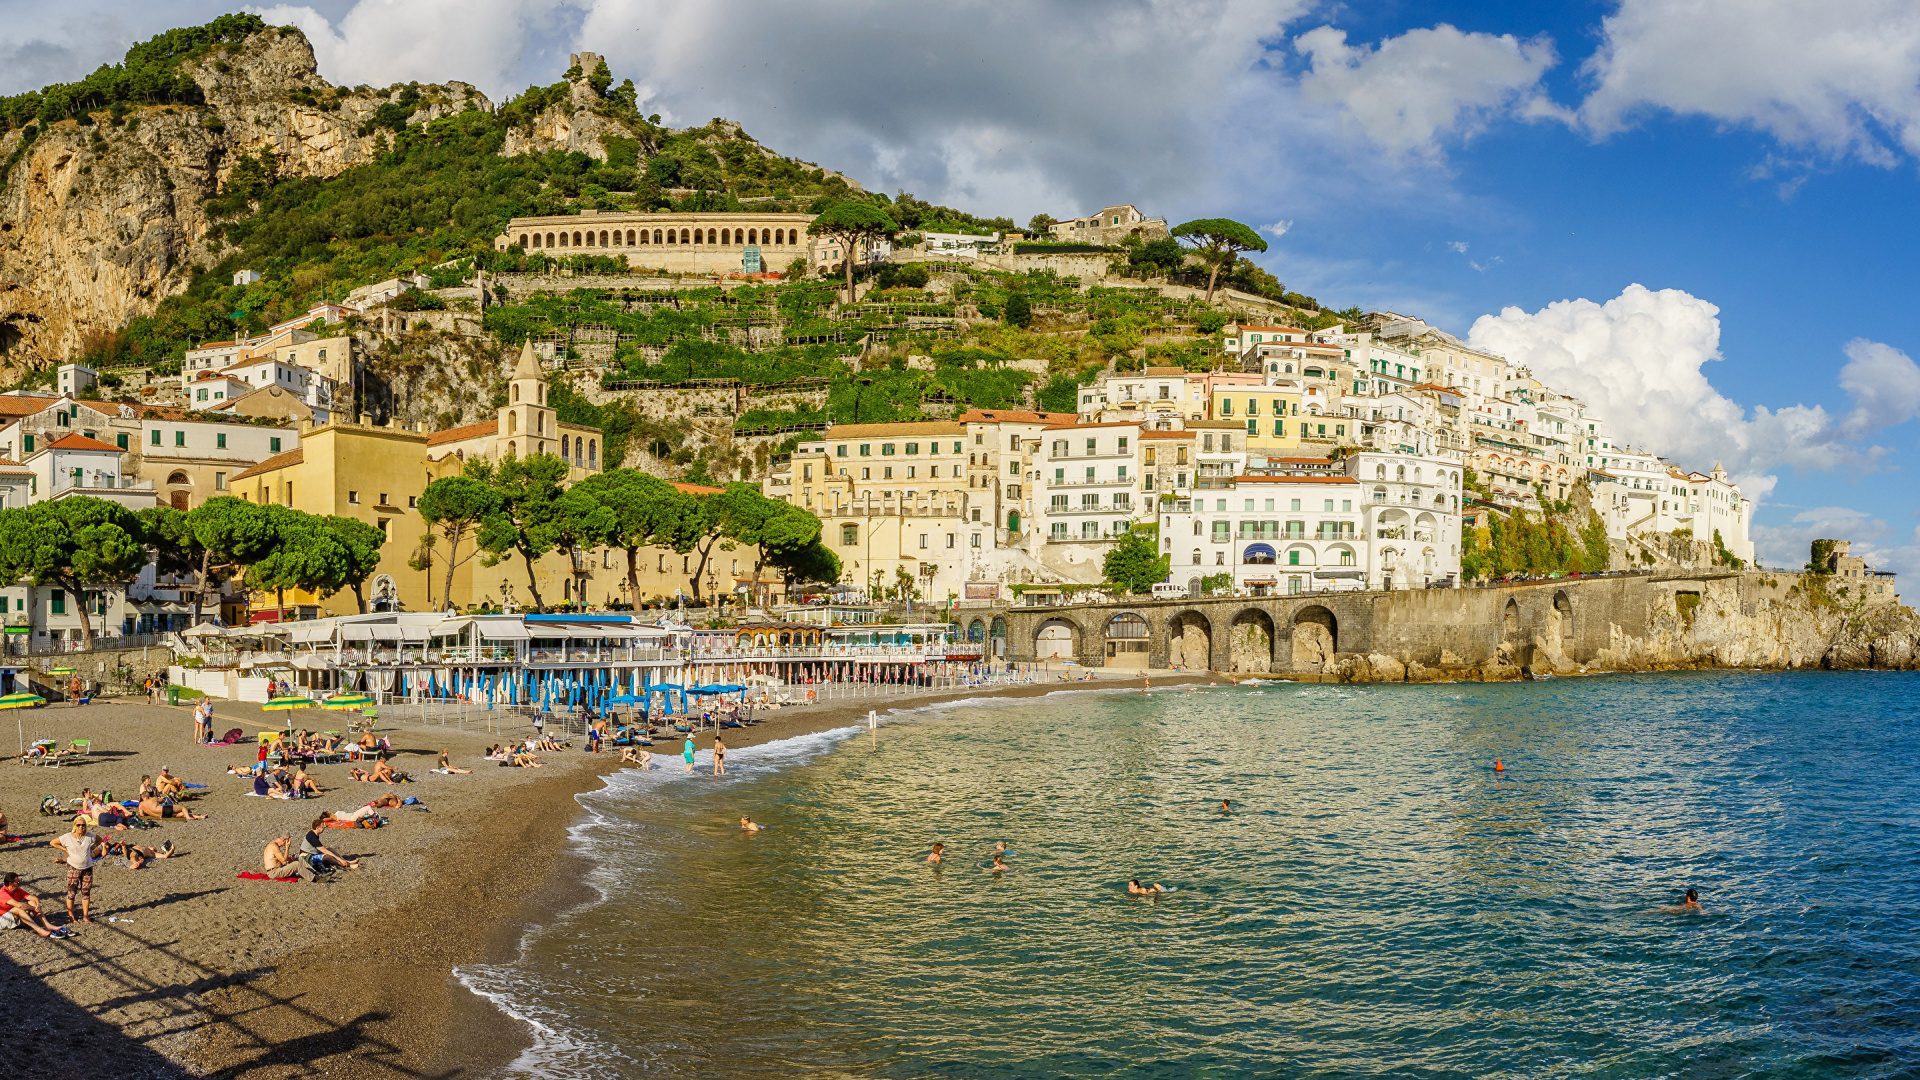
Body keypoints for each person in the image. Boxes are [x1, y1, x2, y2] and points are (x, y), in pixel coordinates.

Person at [50, 818, 106, 924]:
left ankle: (85, 916)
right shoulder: (67, 837)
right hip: (73, 867)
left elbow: (100, 840)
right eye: (79, 825)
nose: (81, 827)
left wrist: (92, 848)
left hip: (87, 867)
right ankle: (71, 916)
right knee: (71, 893)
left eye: (83, 825)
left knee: (86, 892)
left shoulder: (90, 836)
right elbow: (53, 842)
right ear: (75, 826)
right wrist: (65, 850)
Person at [0, 872, 68, 938]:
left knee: (32, 902)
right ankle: (39, 930)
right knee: (18, 908)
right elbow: (19, 905)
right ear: (11, 884)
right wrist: (33, 908)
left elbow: (33, 898)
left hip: (15, 918)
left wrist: (38, 904)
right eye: (17, 882)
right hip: (3, 920)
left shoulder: (17, 890)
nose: (19, 883)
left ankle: (47, 925)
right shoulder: (3, 893)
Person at [139, 794, 207, 820]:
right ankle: (188, 817)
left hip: (161, 816)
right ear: (148, 797)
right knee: (183, 808)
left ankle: (200, 817)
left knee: (182, 814)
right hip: (164, 809)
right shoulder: (153, 799)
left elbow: (141, 815)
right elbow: (163, 800)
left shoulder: (141, 805)